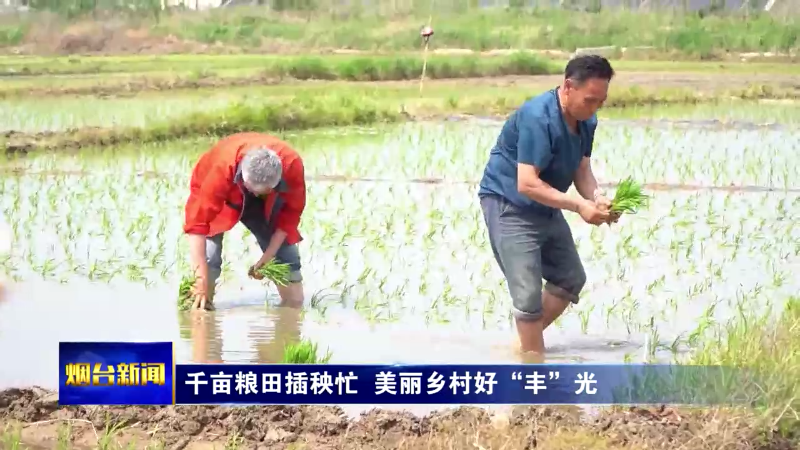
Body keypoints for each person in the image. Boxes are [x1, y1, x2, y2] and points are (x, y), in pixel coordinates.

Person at [477, 55, 620, 359]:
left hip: (546, 202)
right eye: (590, 100)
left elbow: (582, 170)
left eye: (601, 102)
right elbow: (527, 183)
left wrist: (597, 197)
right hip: (509, 204)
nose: (595, 108)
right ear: (568, 86)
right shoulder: (537, 117)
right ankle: (533, 367)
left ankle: (523, 350)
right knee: (527, 295)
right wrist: (579, 206)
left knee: (570, 277)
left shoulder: (586, 120)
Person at [183, 132, 306, 311]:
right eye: (253, 189)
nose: (255, 194)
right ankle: (201, 310)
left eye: (262, 191)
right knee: (208, 259)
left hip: (267, 204)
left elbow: (290, 215)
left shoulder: (291, 164)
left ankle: (292, 312)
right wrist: (200, 278)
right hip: (225, 197)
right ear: (243, 175)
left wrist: (268, 256)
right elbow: (197, 224)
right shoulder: (222, 169)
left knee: (286, 258)